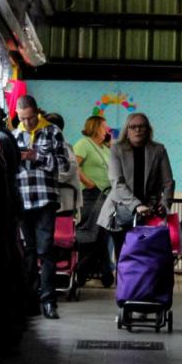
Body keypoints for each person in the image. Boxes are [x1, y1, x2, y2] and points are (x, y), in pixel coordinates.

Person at [14, 96, 70, 320]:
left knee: (45, 250)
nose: (27, 123)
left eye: (30, 118)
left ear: (37, 111)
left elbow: (64, 164)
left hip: (46, 198)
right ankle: (29, 301)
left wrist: (37, 156)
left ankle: (49, 301)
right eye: (22, 118)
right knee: (27, 250)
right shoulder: (14, 134)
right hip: (23, 198)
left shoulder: (52, 131)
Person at [98, 113, 175, 262]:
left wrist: (165, 206)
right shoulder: (117, 149)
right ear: (127, 130)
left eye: (141, 126)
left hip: (151, 213)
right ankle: (123, 286)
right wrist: (137, 205)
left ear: (148, 130)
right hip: (122, 212)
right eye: (133, 127)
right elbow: (116, 182)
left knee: (148, 260)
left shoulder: (158, 150)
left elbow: (168, 182)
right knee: (124, 259)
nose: (137, 130)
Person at [73, 115, 115, 286]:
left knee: (103, 235)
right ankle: (90, 273)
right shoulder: (84, 143)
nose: (108, 130)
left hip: (106, 195)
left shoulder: (104, 148)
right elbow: (73, 165)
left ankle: (102, 274)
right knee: (91, 235)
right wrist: (88, 182)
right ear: (96, 127)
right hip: (91, 195)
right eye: (104, 127)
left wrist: (111, 144)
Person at [42, 112, 82, 215]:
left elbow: (68, 169)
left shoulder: (64, 147)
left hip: (63, 203)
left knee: (61, 230)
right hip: (57, 201)